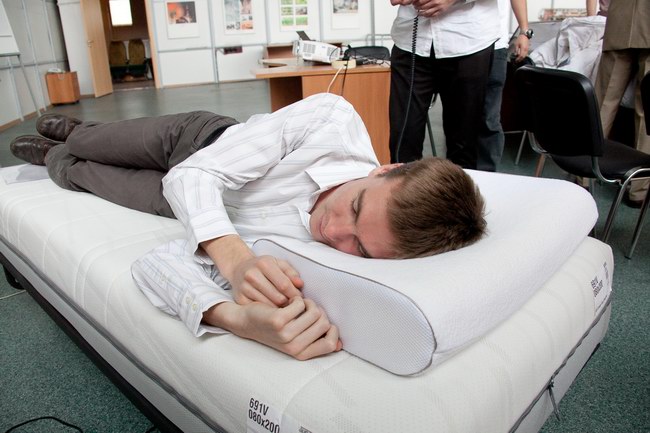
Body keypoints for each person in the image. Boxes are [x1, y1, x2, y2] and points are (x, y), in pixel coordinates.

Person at [10, 93, 487, 360]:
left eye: (359, 248)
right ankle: (78, 133)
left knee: (78, 175)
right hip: (196, 142)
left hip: (180, 205)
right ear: (387, 169)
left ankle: (54, 158)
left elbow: (158, 262)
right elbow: (194, 175)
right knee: (94, 143)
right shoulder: (331, 120)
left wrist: (235, 318)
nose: (333, 231)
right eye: (357, 208)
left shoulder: (323, 256)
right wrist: (237, 261)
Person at [388, 0, 500, 169]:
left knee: (464, 146)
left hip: (469, 42)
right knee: (403, 143)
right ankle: (402, 187)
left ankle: (460, 186)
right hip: (410, 41)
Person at [594, 0, 650, 207]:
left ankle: (584, 175)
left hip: (621, 19)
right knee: (646, 112)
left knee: (603, 103)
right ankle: (639, 190)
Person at [477, 0, 530, 172]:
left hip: (495, 44)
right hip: (457, 44)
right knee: (460, 116)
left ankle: (487, 176)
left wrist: (524, 32)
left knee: (489, 118)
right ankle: (459, 175)